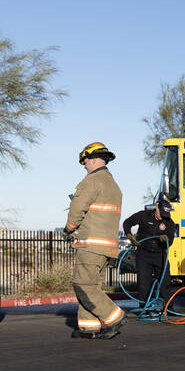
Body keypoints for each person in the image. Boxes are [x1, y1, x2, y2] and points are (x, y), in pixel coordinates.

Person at [64, 141, 125, 340]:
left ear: (95, 159)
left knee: (83, 285)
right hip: (107, 247)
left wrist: (69, 228)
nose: (84, 164)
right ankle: (88, 327)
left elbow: (77, 209)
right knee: (91, 285)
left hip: (91, 245)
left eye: (86, 160)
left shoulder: (91, 181)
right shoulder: (113, 185)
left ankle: (113, 317)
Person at [123, 199, 177, 305]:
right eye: (161, 213)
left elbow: (170, 241)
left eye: (165, 214)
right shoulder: (144, 216)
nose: (162, 216)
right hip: (143, 254)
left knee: (164, 282)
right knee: (143, 283)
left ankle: (168, 308)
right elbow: (127, 223)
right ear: (157, 208)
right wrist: (129, 235)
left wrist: (166, 239)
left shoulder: (169, 223)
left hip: (160, 255)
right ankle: (144, 307)